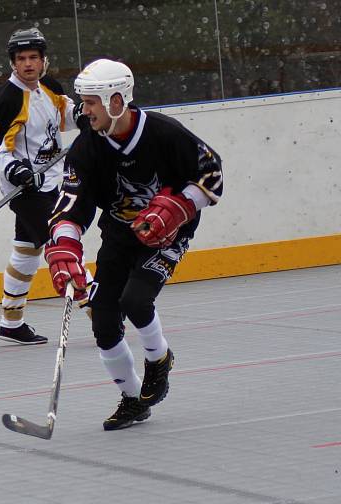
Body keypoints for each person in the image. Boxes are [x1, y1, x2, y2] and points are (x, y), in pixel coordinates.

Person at [44, 58, 223, 430]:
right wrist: (64, 244)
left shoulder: (164, 133)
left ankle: (159, 359)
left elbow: (212, 173)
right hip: (120, 232)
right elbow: (73, 203)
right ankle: (131, 400)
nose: (83, 109)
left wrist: (183, 204)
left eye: (91, 101)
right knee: (105, 321)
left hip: (168, 233)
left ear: (115, 100)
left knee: (136, 300)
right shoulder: (86, 149)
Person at [0, 27, 80, 345]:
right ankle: (102, 312)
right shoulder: (3, 100)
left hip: (52, 181)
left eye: (33, 58)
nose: (27, 64)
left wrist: (88, 115)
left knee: (26, 251)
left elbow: (65, 115)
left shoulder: (48, 87)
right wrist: (17, 170)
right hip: (26, 191)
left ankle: (11, 322)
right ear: (12, 63)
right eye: (21, 59)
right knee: (62, 246)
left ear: (43, 61)